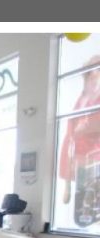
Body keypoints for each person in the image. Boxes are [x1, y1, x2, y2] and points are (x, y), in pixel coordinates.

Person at [58, 56, 100, 227]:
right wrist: (67, 184)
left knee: (90, 197)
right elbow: (70, 134)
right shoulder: (81, 100)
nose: (92, 76)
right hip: (80, 161)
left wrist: (85, 127)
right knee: (83, 196)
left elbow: (88, 126)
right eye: (89, 73)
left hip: (93, 161)